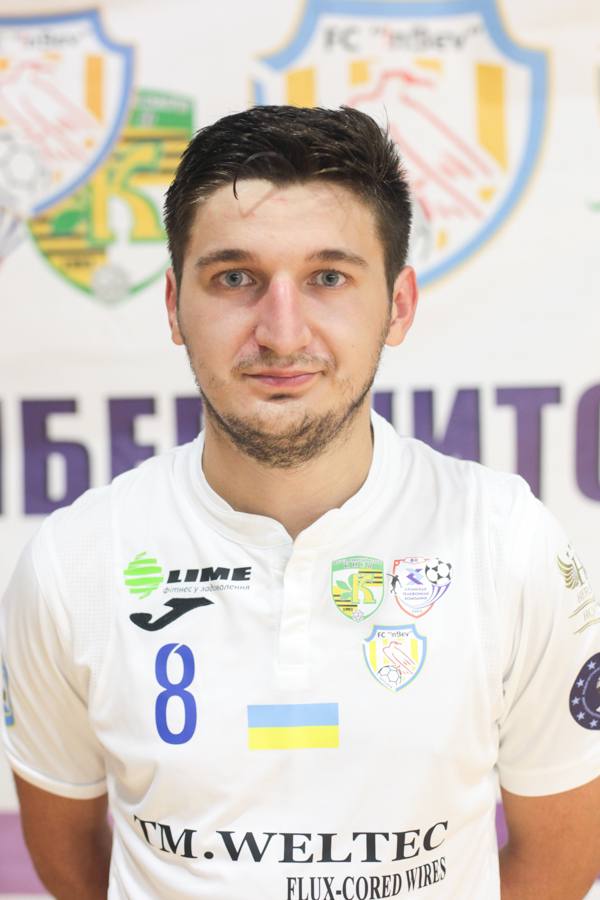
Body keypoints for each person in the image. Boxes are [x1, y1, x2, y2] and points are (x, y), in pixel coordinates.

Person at [1, 105, 599, 900]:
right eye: (235, 278)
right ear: (173, 304)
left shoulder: (506, 545)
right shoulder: (74, 562)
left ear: (399, 304)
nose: (282, 334)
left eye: (328, 278)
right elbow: (72, 854)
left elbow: (561, 854)